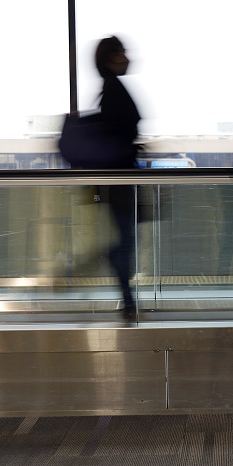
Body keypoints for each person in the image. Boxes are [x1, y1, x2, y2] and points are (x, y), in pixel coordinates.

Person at [92, 36, 141, 321]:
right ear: (112, 57)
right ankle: (127, 299)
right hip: (121, 178)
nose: (128, 57)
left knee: (126, 239)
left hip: (120, 178)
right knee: (125, 240)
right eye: (123, 52)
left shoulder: (110, 89)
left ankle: (128, 298)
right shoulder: (113, 91)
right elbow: (118, 138)